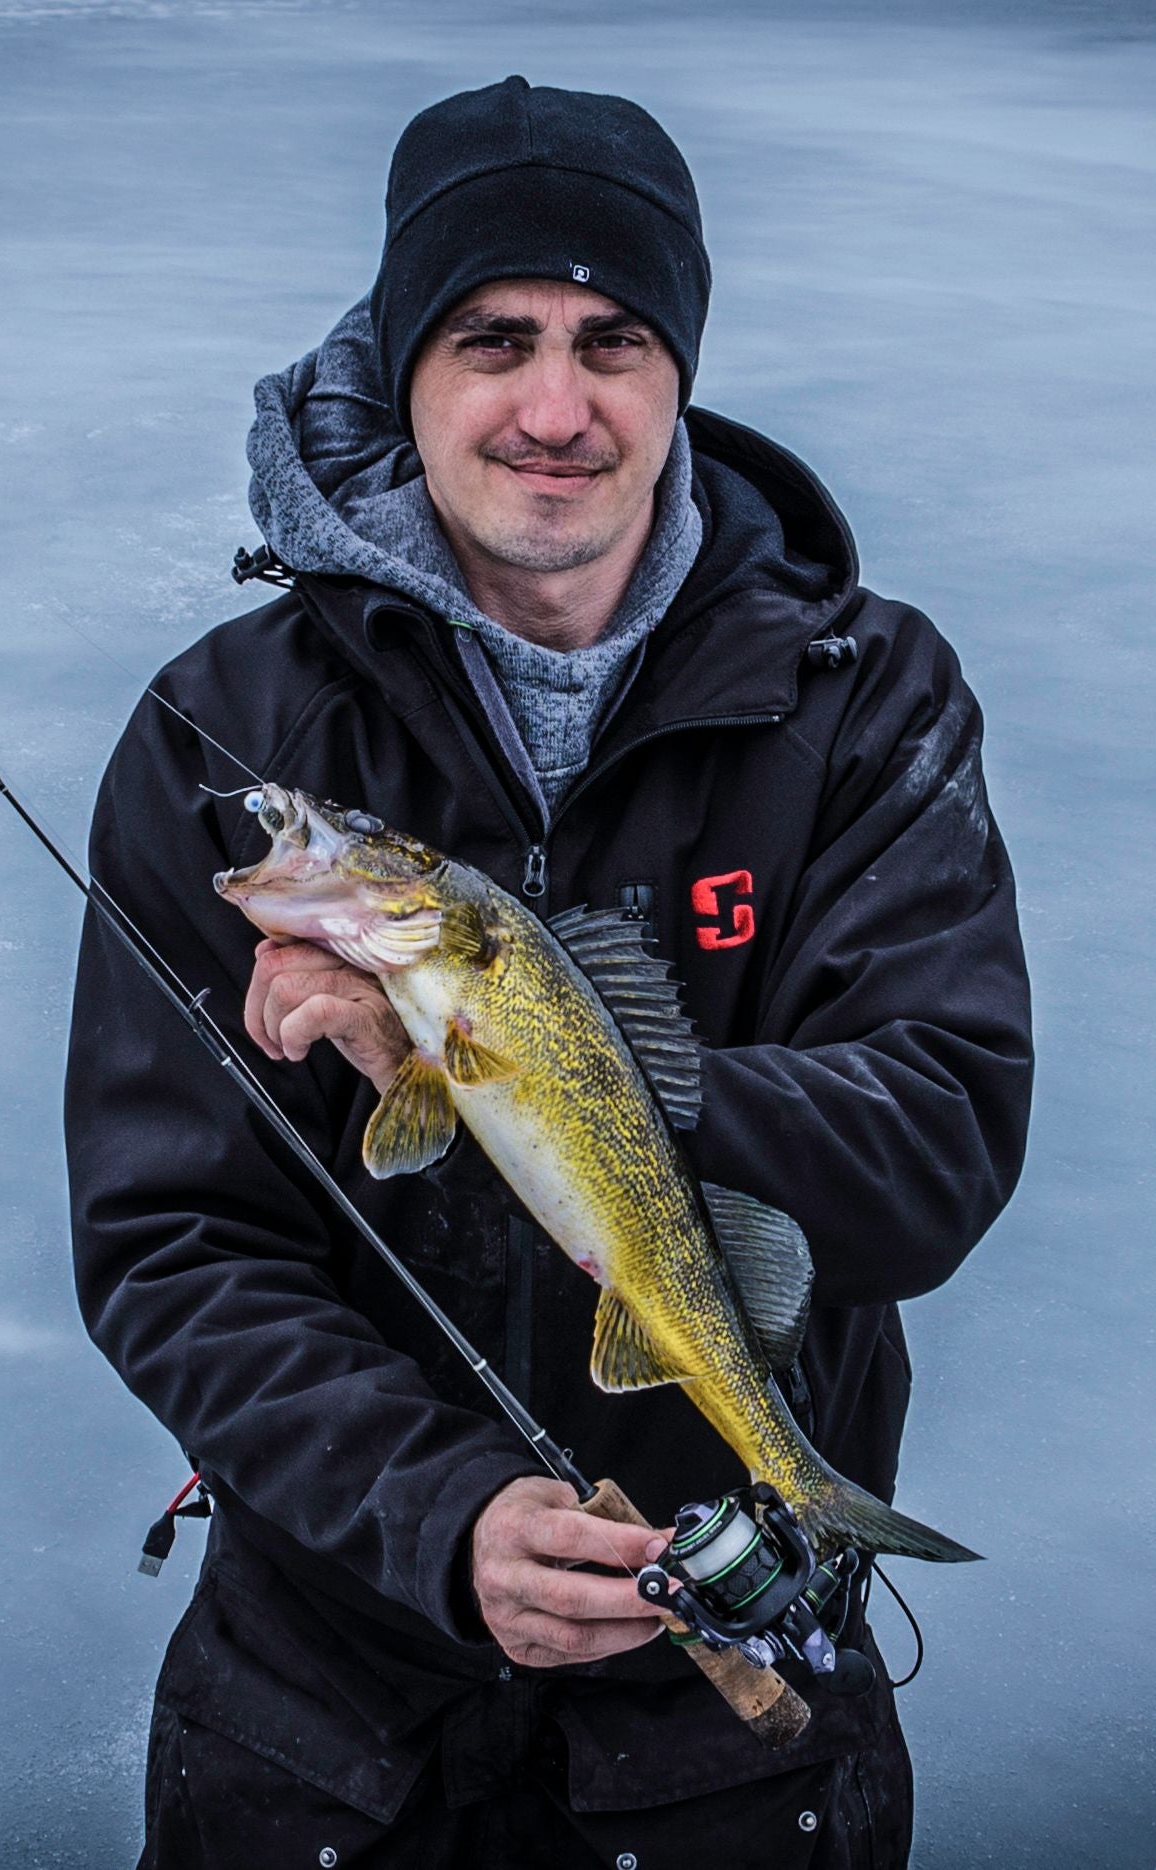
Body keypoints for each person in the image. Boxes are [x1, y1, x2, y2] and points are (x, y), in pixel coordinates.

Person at [65, 75, 1032, 1868]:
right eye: (491, 336)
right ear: (403, 367)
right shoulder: (226, 734)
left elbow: (940, 1144)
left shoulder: (864, 700)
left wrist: (557, 1057)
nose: (554, 406)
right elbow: (170, 1243)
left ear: (681, 373)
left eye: (615, 339)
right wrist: (444, 1519)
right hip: (321, 1709)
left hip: (726, 1693)